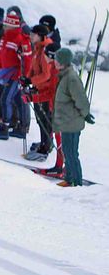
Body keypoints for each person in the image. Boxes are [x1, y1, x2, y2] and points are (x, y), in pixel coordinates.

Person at [52, 48, 94, 187]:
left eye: (57, 60)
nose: (55, 62)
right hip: (66, 121)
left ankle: (76, 182)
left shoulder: (71, 78)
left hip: (72, 121)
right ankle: (69, 178)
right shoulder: (64, 75)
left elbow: (80, 98)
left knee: (71, 153)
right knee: (67, 151)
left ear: (63, 62)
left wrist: (86, 114)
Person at [0, 12, 32, 140]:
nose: (4, 27)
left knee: (6, 99)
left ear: (13, 26)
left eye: (7, 25)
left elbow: (26, 60)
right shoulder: (4, 37)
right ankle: (20, 126)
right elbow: (1, 55)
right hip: (6, 74)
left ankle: (5, 128)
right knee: (17, 100)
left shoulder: (20, 39)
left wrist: (22, 75)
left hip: (16, 75)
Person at [23, 24, 57, 161]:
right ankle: (44, 142)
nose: (31, 36)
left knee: (44, 119)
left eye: (33, 34)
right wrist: (27, 78)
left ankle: (46, 146)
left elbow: (46, 75)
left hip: (45, 89)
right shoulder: (38, 48)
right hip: (39, 87)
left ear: (41, 36)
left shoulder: (45, 50)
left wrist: (31, 80)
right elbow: (33, 66)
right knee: (39, 118)